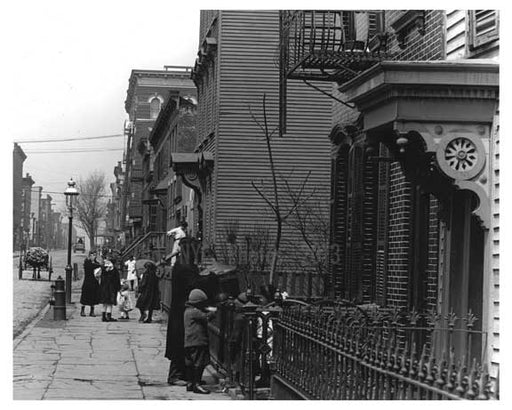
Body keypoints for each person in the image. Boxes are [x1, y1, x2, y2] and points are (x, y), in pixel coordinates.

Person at [183, 288, 216, 394]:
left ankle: (190, 382)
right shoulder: (195, 312)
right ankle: (197, 384)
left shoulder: (188, 310)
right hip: (198, 341)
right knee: (199, 362)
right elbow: (207, 317)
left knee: (190, 362)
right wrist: (214, 310)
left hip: (189, 341)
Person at [80, 251, 101, 317]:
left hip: (94, 282)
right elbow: (91, 267)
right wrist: (97, 265)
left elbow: (99, 267)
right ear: (89, 256)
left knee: (93, 297)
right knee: (85, 296)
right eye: (92, 255)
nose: (93, 257)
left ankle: (92, 311)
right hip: (87, 281)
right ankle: (82, 310)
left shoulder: (96, 263)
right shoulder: (87, 262)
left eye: (94, 255)